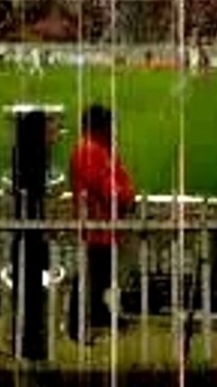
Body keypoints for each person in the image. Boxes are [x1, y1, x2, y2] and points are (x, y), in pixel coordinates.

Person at [67, 105, 135, 342]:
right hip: (98, 225)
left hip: (103, 224)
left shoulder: (99, 150)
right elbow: (109, 188)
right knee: (92, 277)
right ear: (100, 127)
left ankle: (96, 316)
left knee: (100, 275)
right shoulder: (92, 151)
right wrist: (126, 198)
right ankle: (78, 325)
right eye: (110, 124)